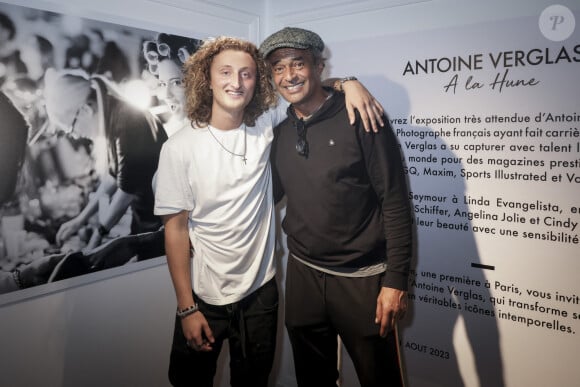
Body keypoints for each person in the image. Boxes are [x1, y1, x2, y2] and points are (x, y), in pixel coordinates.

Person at [153, 35, 385, 387]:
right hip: (203, 297)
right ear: (207, 78)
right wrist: (186, 308)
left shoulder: (267, 124)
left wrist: (347, 83)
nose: (236, 82)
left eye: (246, 74)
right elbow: (176, 231)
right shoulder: (179, 148)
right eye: (226, 72)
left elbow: (303, 87)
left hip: (261, 294)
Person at [260, 27, 413, 387]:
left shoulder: (362, 117)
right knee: (313, 379)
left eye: (298, 64)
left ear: (318, 66)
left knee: (380, 379)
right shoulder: (280, 134)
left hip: (361, 280)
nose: (288, 76)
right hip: (303, 278)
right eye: (279, 68)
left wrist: (395, 281)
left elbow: (394, 200)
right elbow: (266, 196)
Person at [43, 68, 167, 251]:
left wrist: (96, 239)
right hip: (146, 219)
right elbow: (113, 176)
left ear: (86, 110)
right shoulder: (114, 116)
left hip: (160, 223)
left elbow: (125, 193)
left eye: (71, 128)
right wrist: (80, 220)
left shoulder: (126, 122)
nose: (75, 136)